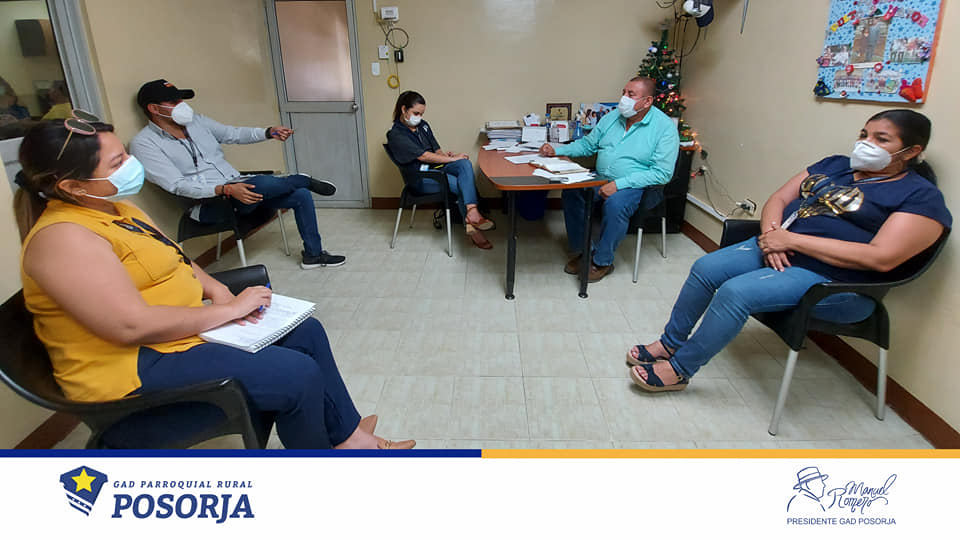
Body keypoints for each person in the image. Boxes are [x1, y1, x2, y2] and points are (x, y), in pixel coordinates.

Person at [14, 119, 413, 449]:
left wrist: (218, 292)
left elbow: (176, 258)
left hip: (174, 338)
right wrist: (229, 311)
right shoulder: (62, 239)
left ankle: (348, 438)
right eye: (118, 161)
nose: (132, 164)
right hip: (135, 364)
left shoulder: (116, 208)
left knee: (306, 331)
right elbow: (130, 326)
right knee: (298, 375)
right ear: (72, 186)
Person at [628, 110, 951, 392]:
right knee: (705, 268)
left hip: (831, 278)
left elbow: (882, 257)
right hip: (779, 244)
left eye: (881, 139)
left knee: (735, 292)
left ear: (912, 151)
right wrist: (772, 237)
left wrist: (792, 242)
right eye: (864, 134)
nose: (866, 144)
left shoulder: (920, 196)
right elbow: (780, 198)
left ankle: (680, 370)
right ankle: (670, 344)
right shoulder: (836, 165)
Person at [129, 79, 345, 270]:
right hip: (210, 203)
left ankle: (313, 255)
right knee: (259, 184)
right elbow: (176, 185)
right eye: (174, 102)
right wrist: (225, 189)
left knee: (300, 195)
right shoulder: (144, 144)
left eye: (181, 100)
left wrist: (268, 132)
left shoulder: (197, 122)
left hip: (239, 188)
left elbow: (232, 134)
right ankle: (301, 179)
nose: (182, 105)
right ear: (154, 109)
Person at [540, 76, 679, 282]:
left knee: (616, 203)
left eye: (631, 94)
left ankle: (602, 261)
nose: (624, 98)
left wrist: (619, 184)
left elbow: (662, 173)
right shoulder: (613, 117)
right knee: (572, 191)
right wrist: (557, 150)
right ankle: (586, 252)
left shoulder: (664, 128)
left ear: (647, 101)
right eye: (624, 92)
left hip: (639, 186)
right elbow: (588, 145)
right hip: (601, 178)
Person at [386, 90, 495, 249]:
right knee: (462, 184)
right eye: (416, 113)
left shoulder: (423, 125)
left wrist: (446, 156)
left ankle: (471, 213)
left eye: (421, 114)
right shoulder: (396, 134)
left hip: (437, 169)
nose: (419, 117)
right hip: (420, 178)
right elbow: (423, 156)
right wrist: (451, 159)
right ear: (404, 109)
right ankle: (473, 228)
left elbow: (436, 150)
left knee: (464, 163)